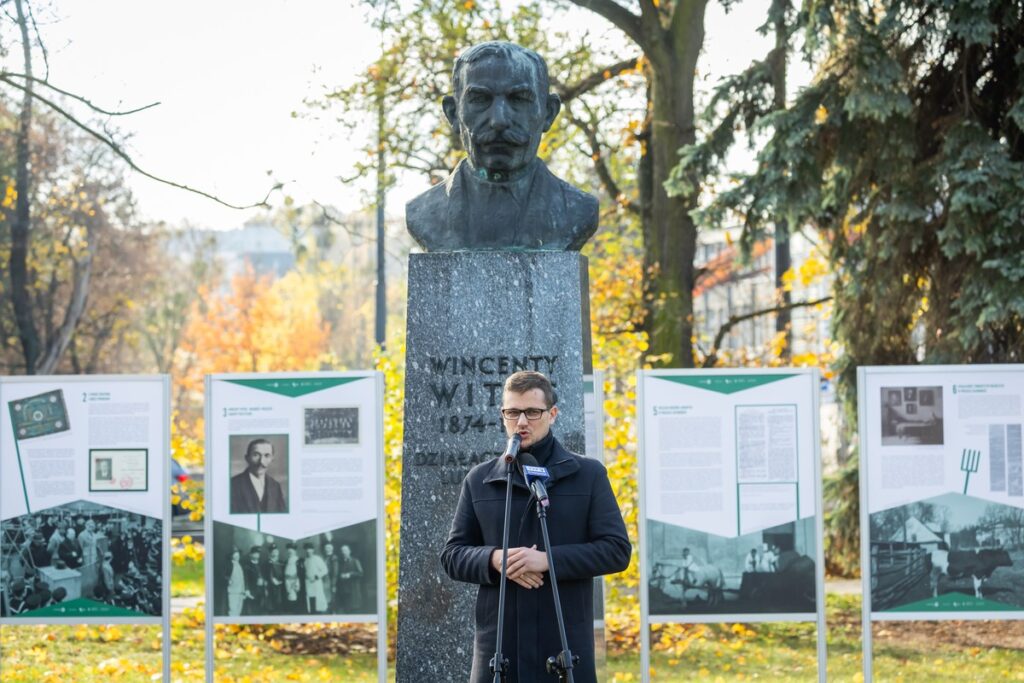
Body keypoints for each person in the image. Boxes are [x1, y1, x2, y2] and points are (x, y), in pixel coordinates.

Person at [441, 370, 630, 683]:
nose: (521, 422)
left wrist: (546, 560)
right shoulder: (480, 479)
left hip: (564, 644)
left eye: (532, 412)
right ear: (502, 415)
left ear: (552, 414)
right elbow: (452, 555)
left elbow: (616, 550)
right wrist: (496, 559)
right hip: (498, 649)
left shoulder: (589, 475)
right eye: (512, 412)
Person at [406, 41, 599, 252]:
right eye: (480, 99)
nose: (499, 120)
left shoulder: (579, 210)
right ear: (453, 113)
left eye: (519, 99)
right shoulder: (422, 213)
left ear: (548, 113)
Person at [230, 438, 287, 514]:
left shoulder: (275, 486)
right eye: (256, 455)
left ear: (272, 459)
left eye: (267, 455)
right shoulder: (233, 485)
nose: (261, 461)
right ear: (247, 458)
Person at [336, 544, 363, 612]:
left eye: (345, 550)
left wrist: (350, 574)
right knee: (346, 609)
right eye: (342, 551)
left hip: (353, 589)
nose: (343, 552)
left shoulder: (355, 560)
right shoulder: (340, 562)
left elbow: (361, 573)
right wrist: (341, 576)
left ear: (349, 551)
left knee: (354, 609)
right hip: (344, 590)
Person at [225, 548, 246, 616]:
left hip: (240, 592)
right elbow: (225, 576)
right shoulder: (229, 565)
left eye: (238, 554)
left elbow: (242, 579)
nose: (237, 556)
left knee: (238, 611)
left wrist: (243, 591)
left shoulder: (239, 565)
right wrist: (229, 581)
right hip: (233, 592)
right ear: (231, 556)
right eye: (235, 554)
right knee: (233, 611)